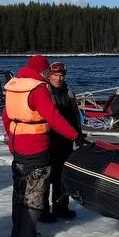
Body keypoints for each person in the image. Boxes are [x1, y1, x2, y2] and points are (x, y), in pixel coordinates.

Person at [3, 55, 83, 237]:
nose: (50, 75)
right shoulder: (38, 89)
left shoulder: (15, 87)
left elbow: (6, 117)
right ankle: (28, 234)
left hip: (18, 146)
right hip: (36, 147)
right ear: (43, 71)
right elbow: (53, 118)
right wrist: (75, 136)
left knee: (20, 190)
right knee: (35, 190)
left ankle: (18, 231)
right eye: (48, 71)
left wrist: (12, 139)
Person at [42, 61, 82, 222]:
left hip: (66, 139)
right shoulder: (45, 92)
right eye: (55, 75)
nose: (59, 78)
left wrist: (78, 133)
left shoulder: (68, 91)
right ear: (49, 75)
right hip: (49, 140)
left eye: (61, 75)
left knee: (63, 176)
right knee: (47, 177)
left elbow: (75, 114)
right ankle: (43, 211)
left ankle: (61, 207)